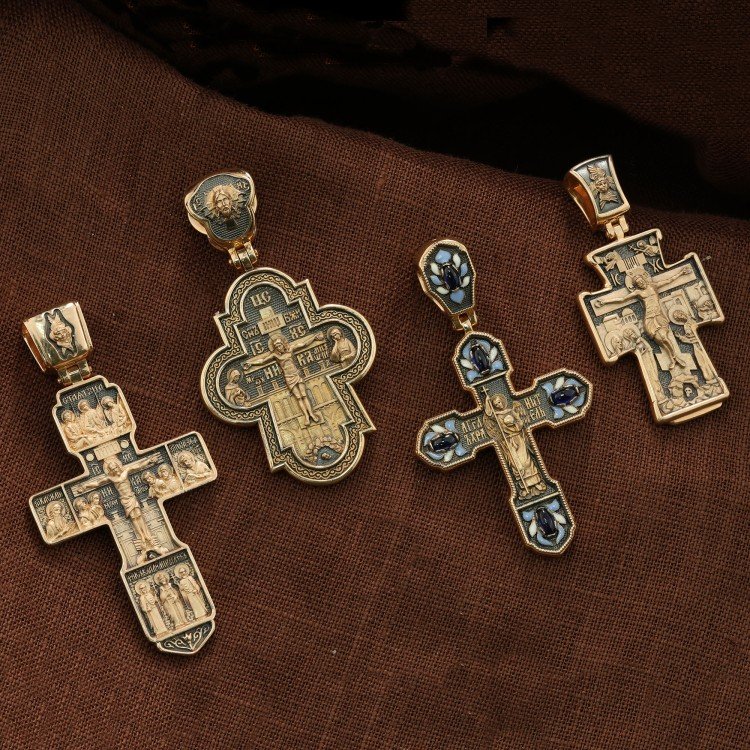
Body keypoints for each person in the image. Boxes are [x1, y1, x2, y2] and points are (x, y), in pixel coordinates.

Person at [594, 266, 690, 371]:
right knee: (660, 339)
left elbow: (669, 280)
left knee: (665, 337)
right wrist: (605, 302)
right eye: (638, 283)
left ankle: (674, 357)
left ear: (644, 280)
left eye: (641, 281)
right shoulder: (638, 293)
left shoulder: (653, 286)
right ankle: (673, 358)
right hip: (649, 318)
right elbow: (622, 299)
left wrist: (681, 272)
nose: (641, 283)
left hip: (659, 316)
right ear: (637, 286)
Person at [245, 332, 325, 426]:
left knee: (304, 395)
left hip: (296, 374)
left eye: (280, 345)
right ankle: (306, 416)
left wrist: (314, 337)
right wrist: (251, 363)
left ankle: (311, 414)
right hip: (288, 377)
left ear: (283, 344)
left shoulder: (290, 349)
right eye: (276, 347)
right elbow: (263, 361)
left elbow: (303, 344)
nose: (279, 348)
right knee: (298, 397)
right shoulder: (276, 356)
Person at [483, 395, 546, 498]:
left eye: (499, 402)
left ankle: (537, 483)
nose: (499, 405)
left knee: (526, 461)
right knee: (516, 465)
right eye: (496, 404)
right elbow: (488, 414)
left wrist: (513, 424)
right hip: (508, 441)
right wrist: (487, 401)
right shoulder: (496, 415)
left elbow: (520, 422)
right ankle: (525, 487)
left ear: (503, 401)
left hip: (518, 438)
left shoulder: (511, 411)